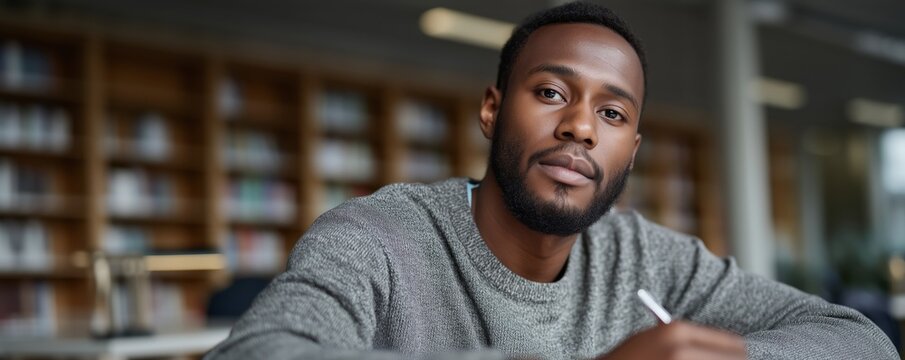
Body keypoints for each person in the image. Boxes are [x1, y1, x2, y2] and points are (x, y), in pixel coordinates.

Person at [205, 2, 898, 359]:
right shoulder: (379, 238)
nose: (580, 127)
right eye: (549, 93)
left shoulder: (652, 261)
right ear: (492, 108)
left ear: (630, 149)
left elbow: (858, 341)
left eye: (612, 112)